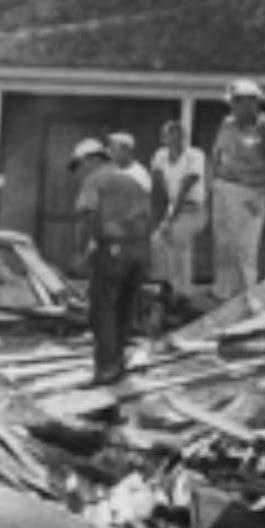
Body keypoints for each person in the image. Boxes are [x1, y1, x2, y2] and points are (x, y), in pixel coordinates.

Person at [71, 138, 153, 386]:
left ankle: (106, 369)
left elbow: (89, 218)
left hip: (112, 252)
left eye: (80, 165)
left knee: (103, 310)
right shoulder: (133, 182)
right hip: (139, 253)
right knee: (123, 310)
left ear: (93, 160)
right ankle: (117, 366)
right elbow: (149, 218)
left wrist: (82, 253)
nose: (79, 173)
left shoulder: (95, 181)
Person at [210, 79, 265, 300]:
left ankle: (246, 297)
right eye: (231, 102)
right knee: (223, 244)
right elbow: (217, 152)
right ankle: (222, 294)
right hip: (224, 187)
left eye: (236, 102)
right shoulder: (227, 123)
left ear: (251, 102)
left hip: (249, 191)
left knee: (244, 248)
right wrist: (213, 180)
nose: (232, 106)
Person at [150, 119, 209, 306]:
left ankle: (184, 293)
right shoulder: (160, 156)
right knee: (157, 241)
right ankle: (167, 284)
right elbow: (158, 184)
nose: (172, 139)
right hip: (173, 207)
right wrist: (160, 215)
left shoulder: (195, 155)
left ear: (183, 137)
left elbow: (186, 186)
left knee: (178, 238)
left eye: (177, 134)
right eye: (168, 135)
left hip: (193, 208)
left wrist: (170, 218)